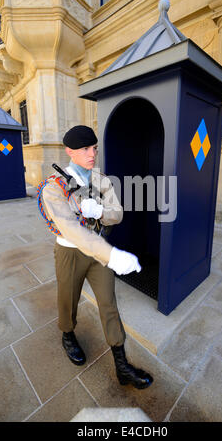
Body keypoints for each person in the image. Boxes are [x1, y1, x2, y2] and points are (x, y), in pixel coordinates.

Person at [41, 125, 153, 390]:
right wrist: (112, 254)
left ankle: (122, 366)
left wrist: (99, 210)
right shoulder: (53, 187)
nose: (92, 154)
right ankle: (67, 334)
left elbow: (118, 213)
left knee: (109, 304)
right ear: (70, 151)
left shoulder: (100, 179)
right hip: (70, 252)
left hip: (97, 251)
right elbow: (72, 231)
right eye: (85, 149)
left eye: (94, 148)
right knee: (68, 299)